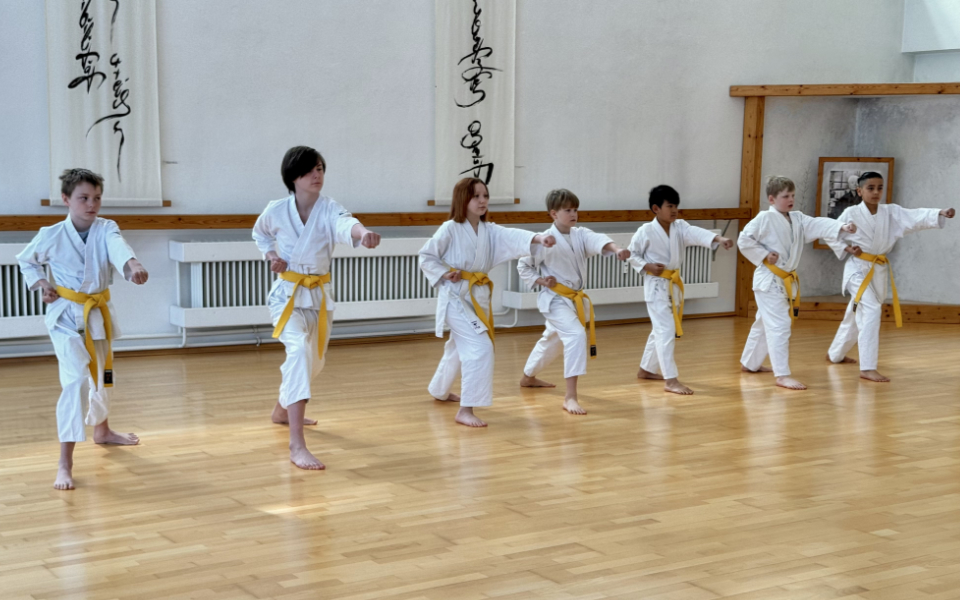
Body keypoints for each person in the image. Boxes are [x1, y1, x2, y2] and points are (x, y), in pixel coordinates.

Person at [17, 168, 148, 490]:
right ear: (66, 199)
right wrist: (42, 283)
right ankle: (65, 461)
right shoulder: (51, 234)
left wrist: (132, 264)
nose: (92, 205)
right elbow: (27, 260)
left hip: (97, 315)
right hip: (65, 316)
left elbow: (118, 247)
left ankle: (102, 430)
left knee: (102, 376)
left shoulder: (106, 228)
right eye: (84, 198)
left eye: (97, 198)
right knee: (75, 381)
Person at [252, 146, 381, 470]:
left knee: (314, 363)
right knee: (298, 353)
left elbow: (346, 225)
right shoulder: (276, 210)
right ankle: (297, 445)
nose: (317, 175)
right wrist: (272, 256)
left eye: (321, 168)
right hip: (287, 295)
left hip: (319, 298)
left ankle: (281, 410)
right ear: (293, 176)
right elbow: (260, 234)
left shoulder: (329, 209)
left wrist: (364, 233)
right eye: (310, 170)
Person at [419, 177, 556, 427]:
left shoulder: (489, 230)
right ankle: (466, 409)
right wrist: (443, 273)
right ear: (463, 199)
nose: (482, 201)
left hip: (478, 296)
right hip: (455, 298)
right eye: (476, 196)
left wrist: (538, 239)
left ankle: (439, 389)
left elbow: (512, 236)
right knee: (480, 347)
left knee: (459, 345)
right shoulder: (450, 228)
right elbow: (426, 256)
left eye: (485, 196)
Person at [826, 171, 955, 381]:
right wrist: (847, 249)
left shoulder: (891, 212)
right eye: (870, 188)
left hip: (877, 269)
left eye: (879, 188)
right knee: (871, 309)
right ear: (859, 191)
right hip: (857, 269)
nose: (876, 192)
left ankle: (835, 354)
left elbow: (914, 217)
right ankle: (867, 367)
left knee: (855, 312)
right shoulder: (851, 213)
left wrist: (939, 213)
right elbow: (830, 232)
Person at [517, 189, 631, 414]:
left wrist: (617, 249)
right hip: (555, 300)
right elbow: (524, 266)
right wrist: (542, 280)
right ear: (554, 214)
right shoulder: (544, 240)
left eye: (575, 209)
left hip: (574, 299)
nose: (573, 214)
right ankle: (570, 397)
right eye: (567, 210)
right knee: (576, 335)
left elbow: (599, 241)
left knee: (553, 340)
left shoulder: (581, 234)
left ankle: (528, 377)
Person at [738, 176, 857, 390]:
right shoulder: (764, 218)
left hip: (784, 280)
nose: (791, 199)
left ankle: (750, 363)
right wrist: (764, 255)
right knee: (780, 326)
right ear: (772, 199)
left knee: (764, 323)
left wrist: (842, 226)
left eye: (792, 195)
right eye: (785, 196)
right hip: (769, 280)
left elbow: (819, 224)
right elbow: (744, 240)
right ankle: (782, 375)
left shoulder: (798, 218)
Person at [629, 185, 734, 394]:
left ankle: (646, 369)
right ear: (656, 208)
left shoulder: (680, 227)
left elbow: (696, 233)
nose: (674, 210)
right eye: (670, 206)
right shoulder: (645, 231)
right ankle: (671, 380)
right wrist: (647, 266)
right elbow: (632, 254)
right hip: (656, 286)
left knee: (660, 329)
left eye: (676, 206)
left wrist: (719, 238)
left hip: (673, 285)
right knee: (666, 330)